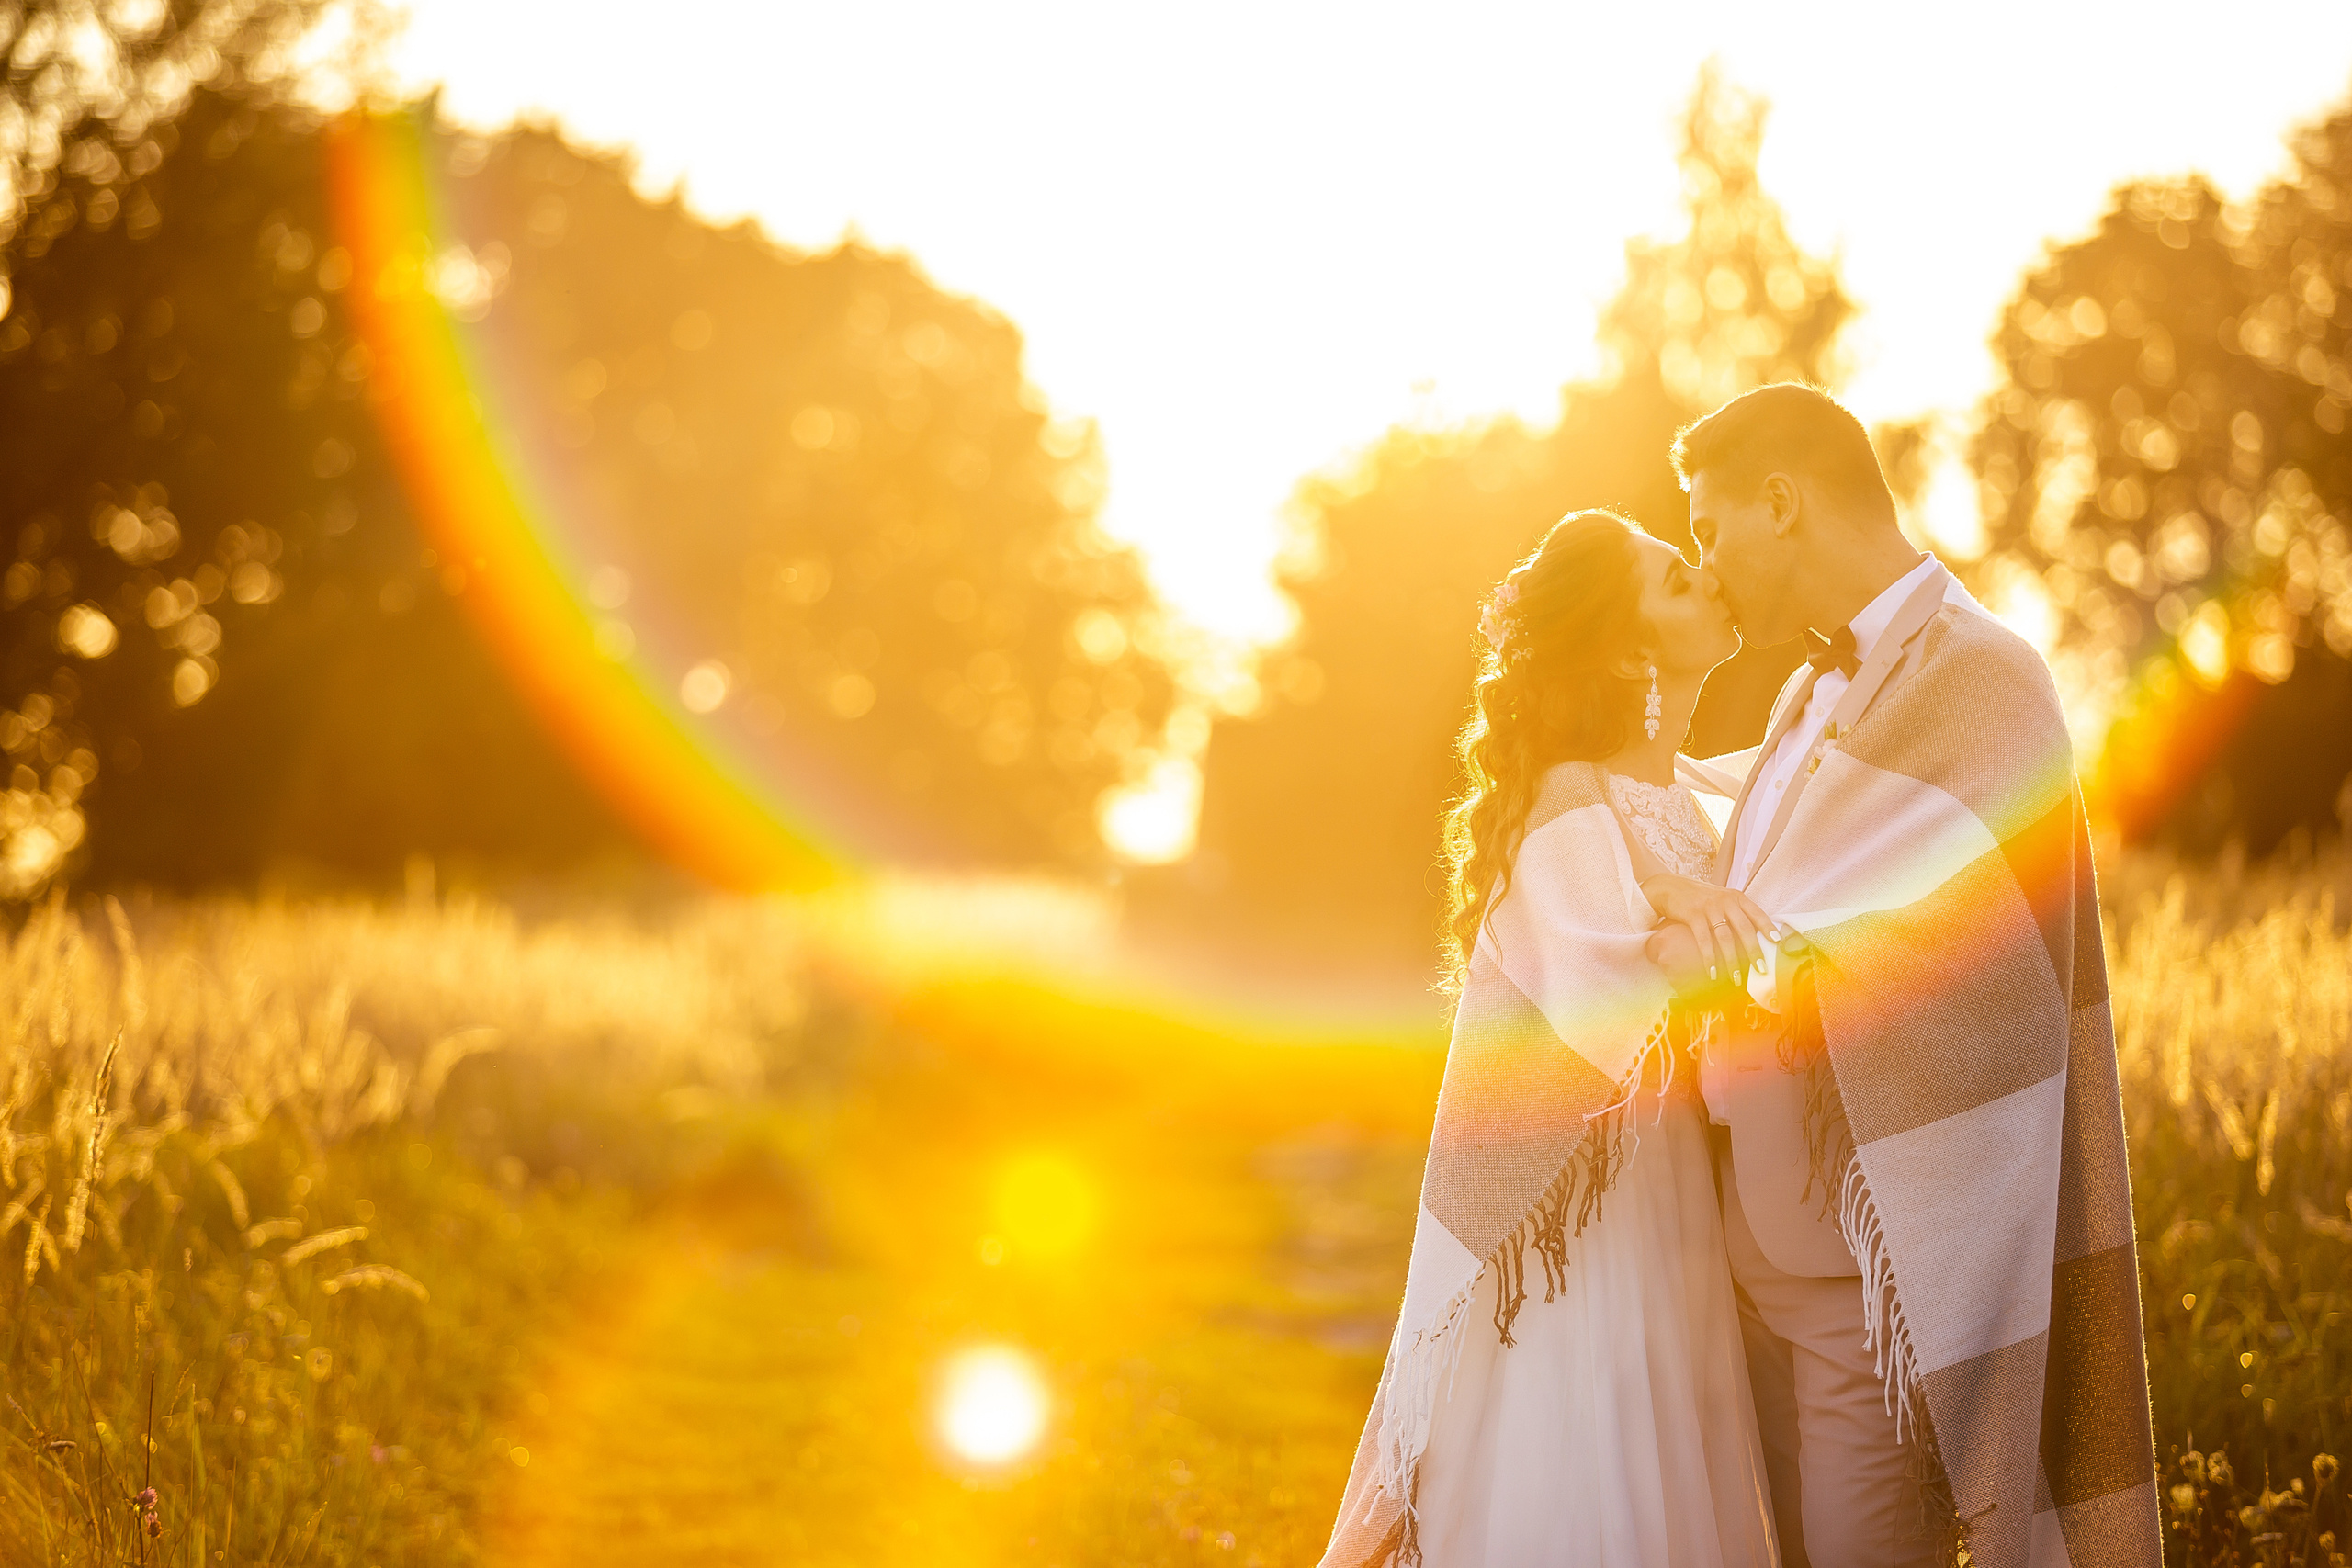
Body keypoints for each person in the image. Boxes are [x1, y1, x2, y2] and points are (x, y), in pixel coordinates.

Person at [1657, 383, 2160, 1568]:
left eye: (1709, 529)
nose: (1706, 565)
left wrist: (1775, 959)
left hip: (1865, 1268)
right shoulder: (1803, 691)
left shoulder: (1988, 676)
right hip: (1743, 1249)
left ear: (1780, 501)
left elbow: (1989, 965)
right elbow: (1771, 873)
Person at [1318, 510, 1781, 1568]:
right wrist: (1684, 920)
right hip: (1587, 1210)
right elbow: (1597, 995)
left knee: (1672, 1444)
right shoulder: (1570, 794)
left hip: (1673, 1190)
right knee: (1593, 1444)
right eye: (1676, 579)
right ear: (1626, 651)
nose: (1708, 579)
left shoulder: (1694, 794)